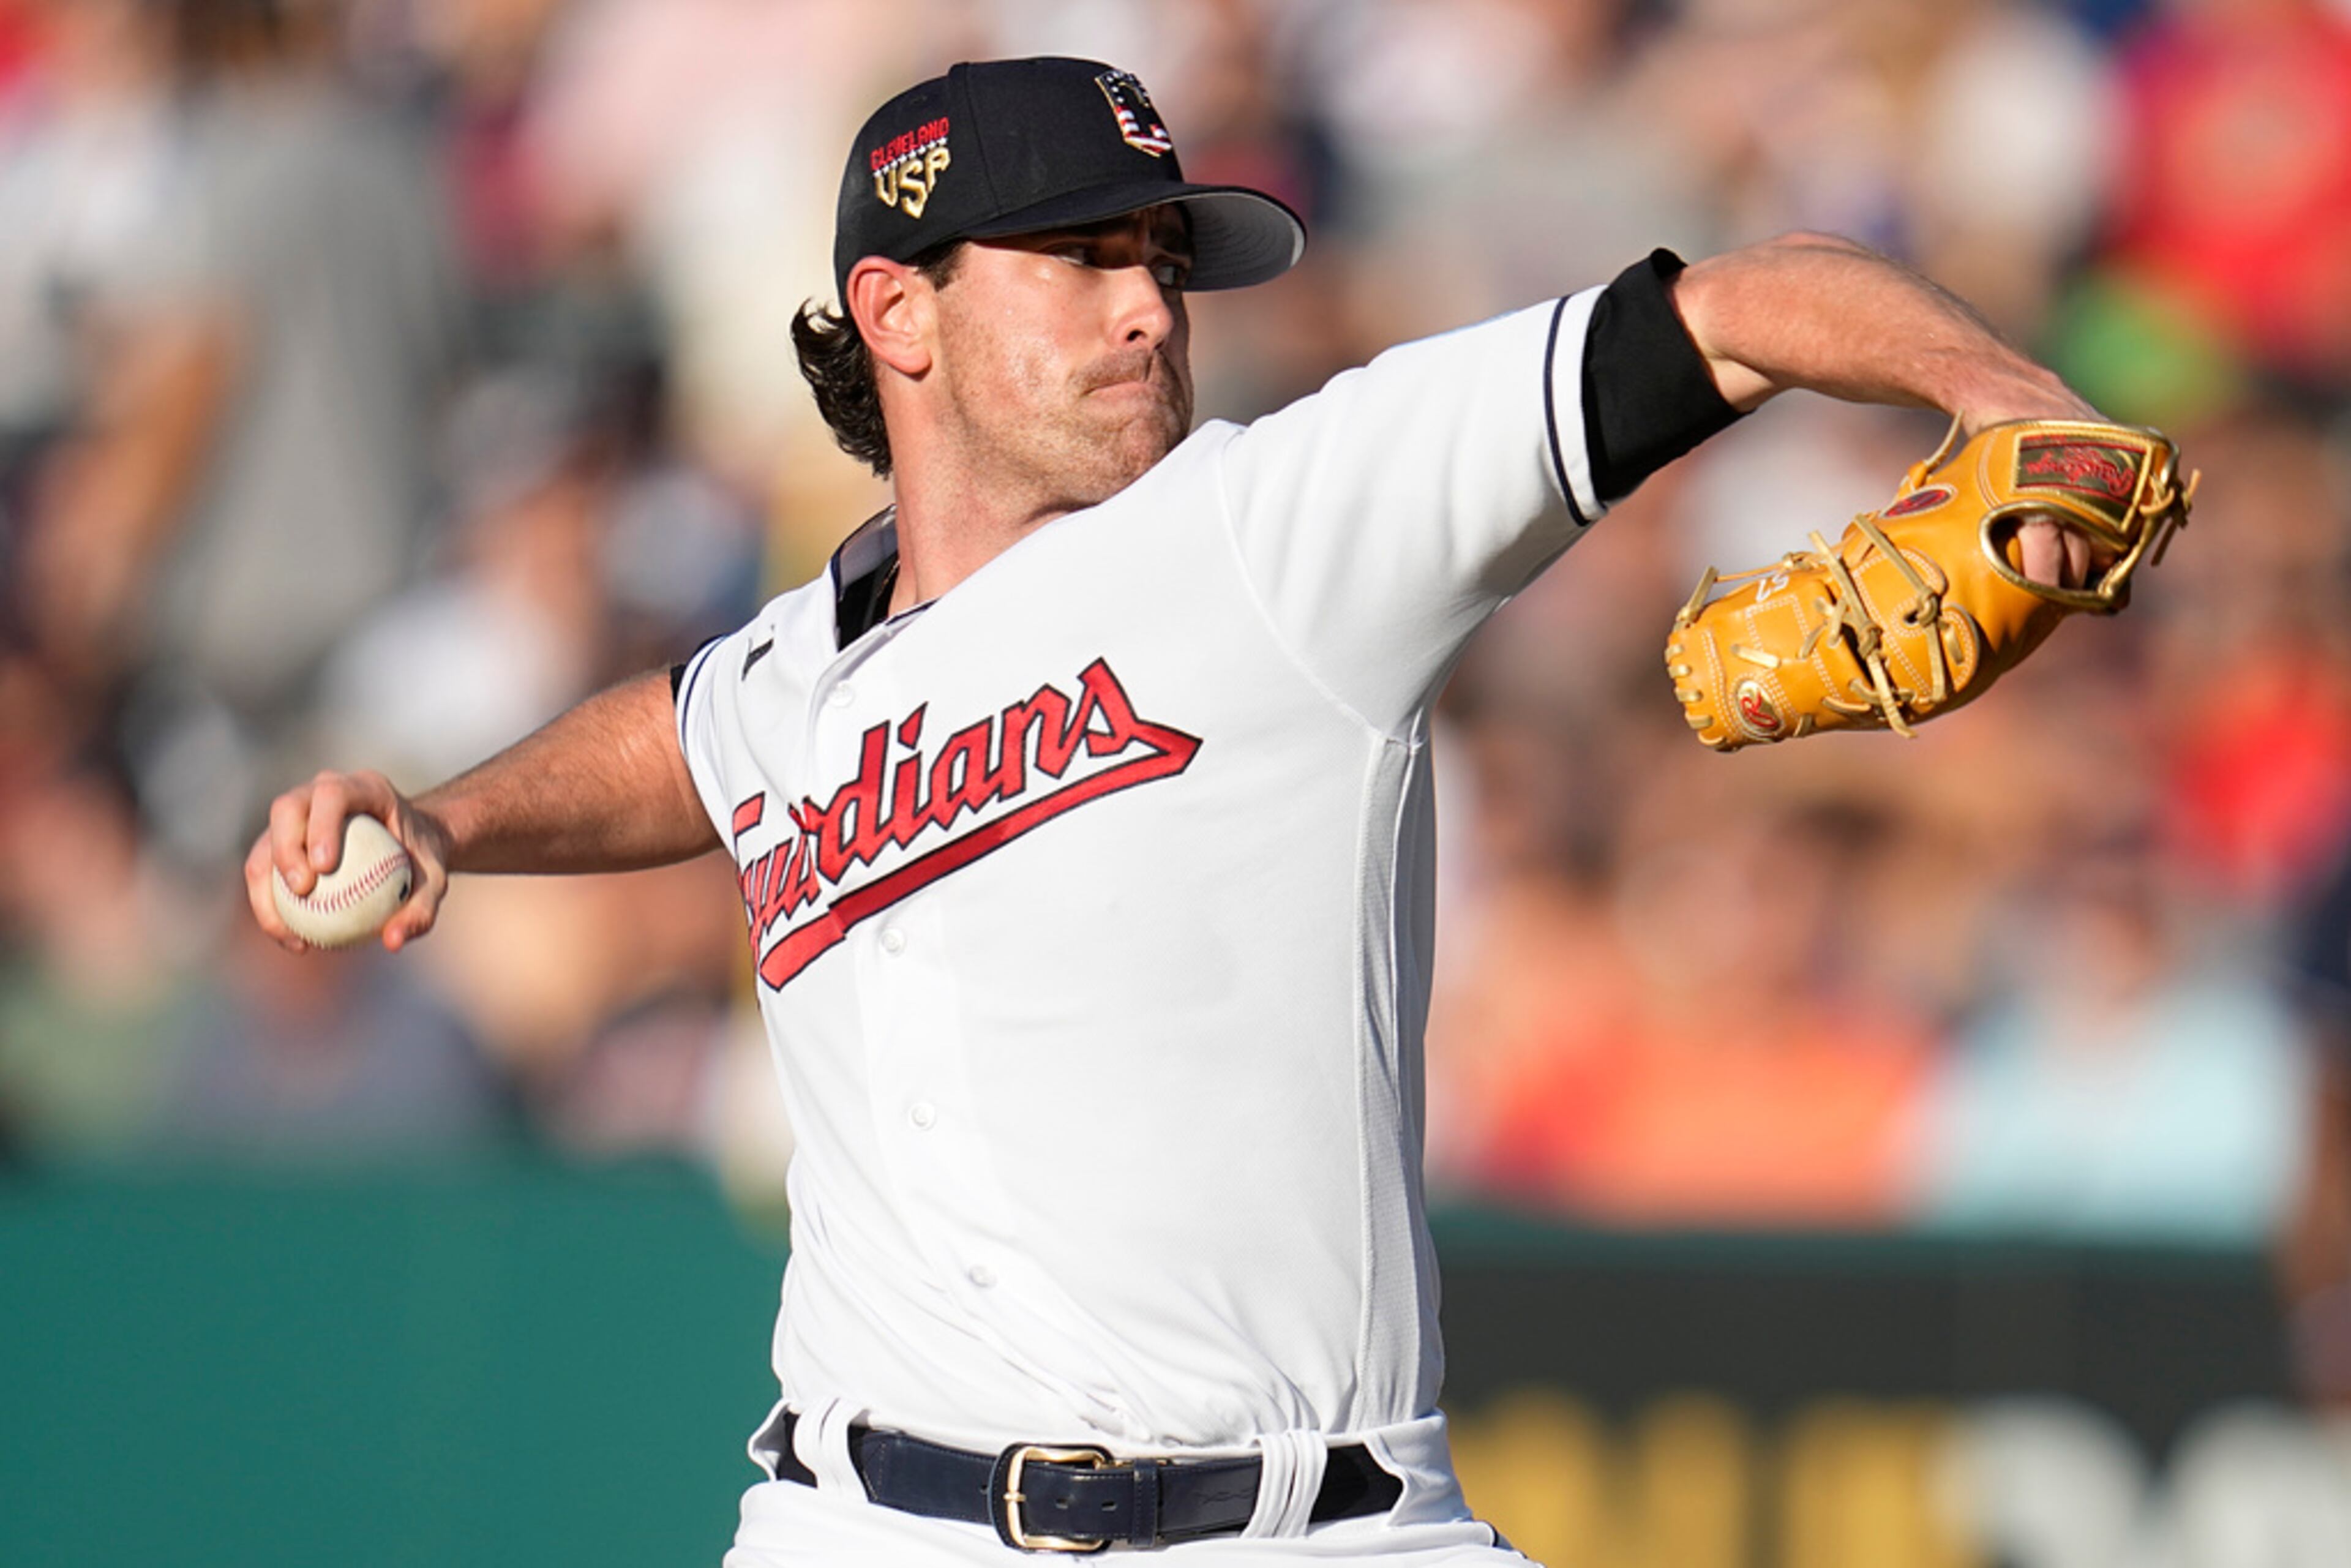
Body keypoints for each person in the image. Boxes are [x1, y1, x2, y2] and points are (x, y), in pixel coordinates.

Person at [247, 56, 2107, 1567]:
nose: (1151, 308)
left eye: (1162, 256)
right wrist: (449, 817)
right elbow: (677, 744)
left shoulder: (1282, 528)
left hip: (1307, 1530)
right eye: (1079, 258)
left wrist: (2005, 392)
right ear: (897, 309)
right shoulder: (794, 672)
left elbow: (1732, 306)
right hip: (857, 1519)